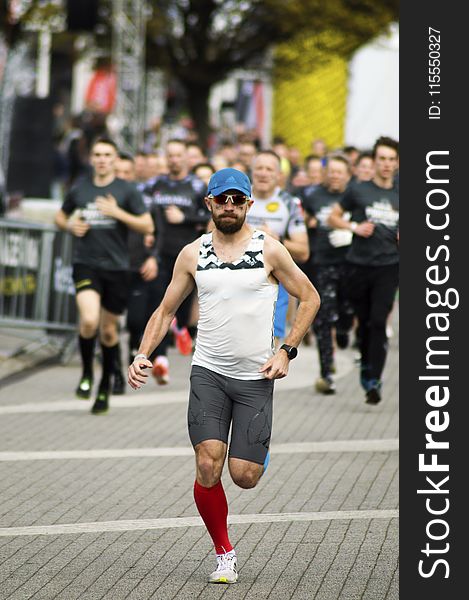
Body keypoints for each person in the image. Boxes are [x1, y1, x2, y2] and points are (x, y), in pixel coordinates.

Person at [128, 168, 320, 584]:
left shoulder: (269, 249)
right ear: (209, 204)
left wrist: (287, 351)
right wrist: (143, 353)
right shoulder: (191, 253)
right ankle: (224, 553)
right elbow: (165, 311)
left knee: (244, 476)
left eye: (237, 200)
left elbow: (309, 297)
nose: (229, 206)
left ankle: (258, 449)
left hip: (255, 377)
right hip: (208, 373)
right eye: (222, 200)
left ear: (249, 203)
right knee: (207, 464)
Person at [54, 137, 154, 414]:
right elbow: (60, 217)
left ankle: (104, 388)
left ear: (114, 159)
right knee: (88, 320)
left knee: (109, 332)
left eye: (107, 154)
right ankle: (87, 373)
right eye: (97, 154)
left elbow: (147, 225)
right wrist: (71, 224)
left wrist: (117, 212)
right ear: (91, 158)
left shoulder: (126, 190)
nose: (101, 159)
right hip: (86, 264)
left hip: (117, 268)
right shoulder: (80, 188)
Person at [328, 136, 399, 405]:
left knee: (378, 322)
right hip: (358, 264)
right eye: (382, 158)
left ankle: (373, 378)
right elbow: (333, 217)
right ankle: (357, 342)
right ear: (375, 160)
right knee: (364, 320)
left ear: (397, 163)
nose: (386, 164)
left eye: (392, 159)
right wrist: (354, 228)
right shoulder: (358, 190)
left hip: (389, 266)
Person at [143, 139, 210, 384]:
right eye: (169, 155)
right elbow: (140, 210)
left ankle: (180, 328)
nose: (173, 159)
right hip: (160, 254)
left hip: (188, 256)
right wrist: (146, 232)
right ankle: (160, 359)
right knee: (160, 305)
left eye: (178, 155)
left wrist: (184, 217)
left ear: (185, 157)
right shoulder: (154, 185)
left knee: (181, 309)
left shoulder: (196, 185)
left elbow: (210, 213)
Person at [302, 155, 354, 394]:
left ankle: (344, 329)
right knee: (323, 316)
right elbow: (303, 220)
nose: (334, 175)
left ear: (347, 174)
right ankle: (326, 370)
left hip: (351, 262)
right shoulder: (314, 196)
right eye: (331, 171)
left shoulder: (353, 196)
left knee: (345, 313)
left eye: (339, 172)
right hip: (323, 262)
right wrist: (308, 222)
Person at [248, 150, 309, 342]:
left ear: (278, 175)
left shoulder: (289, 203)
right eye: (259, 168)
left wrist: (277, 240)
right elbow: (210, 231)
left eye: (269, 169)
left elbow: (304, 251)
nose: (263, 173)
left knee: (268, 348)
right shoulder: (237, 197)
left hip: (274, 283)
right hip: (237, 278)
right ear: (252, 171)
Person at [115, 153, 160, 367]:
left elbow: (160, 232)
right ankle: (113, 370)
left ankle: (134, 344)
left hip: (137, 268)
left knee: (135, 320)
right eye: (118, 173)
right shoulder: (102, 199)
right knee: (108, 325)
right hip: (110, 268)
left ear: (134, 174)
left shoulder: (145, 201)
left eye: (126, 173)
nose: (122, 177)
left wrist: (153, 258)